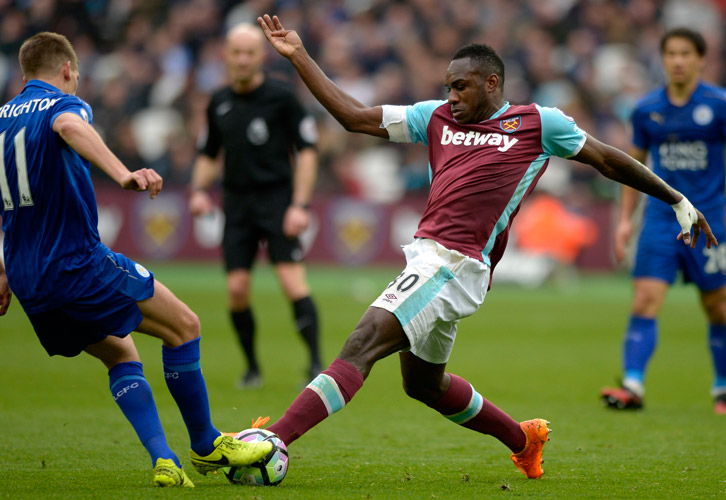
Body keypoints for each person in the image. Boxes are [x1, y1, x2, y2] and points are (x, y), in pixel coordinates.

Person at [254, 15, 719, 480]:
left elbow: (607, 159)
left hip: (456, 264)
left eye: (461, 87)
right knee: (424, 386)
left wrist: (676, 200)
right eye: (448, 87)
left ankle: (273, 440)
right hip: (430, 257)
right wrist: (299, 56)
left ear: (491, 82)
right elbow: (353, 116)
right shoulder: (433, 116)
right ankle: (523, 439)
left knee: (362, 342)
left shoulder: (538, 123)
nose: (452, 96)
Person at [0, 32, 272, 488]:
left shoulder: (3, 122)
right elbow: (68, 126)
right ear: (67, 69)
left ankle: (164, 460)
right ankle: (206, 444)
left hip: (29, 280)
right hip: (76, 265)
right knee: (184, 326)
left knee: (121, 353)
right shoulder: (62, 104)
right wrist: (124, 172)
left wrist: (4, 266)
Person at [188, 24, 322, 389]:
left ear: (261, 56)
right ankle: (251, 369)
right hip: (237, 205)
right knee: (236, 290)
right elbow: (208, 153)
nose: (243, 59)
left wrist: (300, 204)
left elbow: (307, 151)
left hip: (278, 202)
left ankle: (315, 365)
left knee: (292, 282)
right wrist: (198, 189)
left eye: (250, 52)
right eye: (237, 52)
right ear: (226, 56)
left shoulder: (282, 97)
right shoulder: (218, 102)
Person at [600, 28, 726, 414]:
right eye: (671, 53)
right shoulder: (646, 109)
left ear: (700, 59)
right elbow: (629, 168)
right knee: (645, 299)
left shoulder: (719, 105)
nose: (678, 60)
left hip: (712, 221)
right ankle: (633, 385)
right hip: (660, 220)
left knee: (718, 307)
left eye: (686, 53)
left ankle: (722, 388)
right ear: (663, 58)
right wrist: (625, 221)